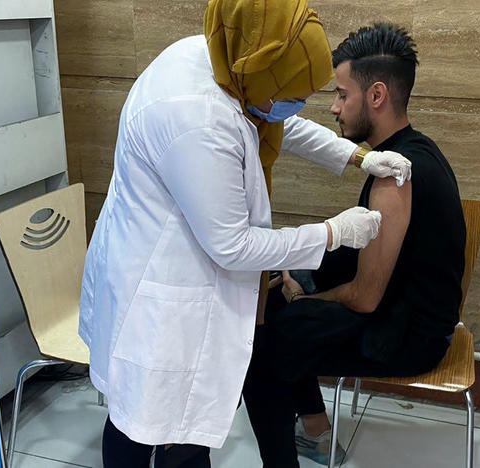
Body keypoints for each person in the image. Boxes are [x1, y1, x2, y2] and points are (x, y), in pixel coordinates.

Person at [78, 1, 413, 467]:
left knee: (185, 428)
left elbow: (279, 114)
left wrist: (354, 157)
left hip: (187, 269)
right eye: (295, 92)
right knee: (141, 423)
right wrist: (333, 233)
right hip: (158, 291)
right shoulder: (196, 118)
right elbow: (233, 245)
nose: (307, 104)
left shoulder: (227, 63)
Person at [242, 23, 467, 467]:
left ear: (377, 95)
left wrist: (303, 294)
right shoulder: (411, 150)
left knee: (262, 352)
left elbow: (364, 299)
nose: (333, 107)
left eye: (343, 94)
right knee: (280, 297)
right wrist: (297, 281)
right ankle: (317, 433)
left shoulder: (394, 178)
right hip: (404, 309)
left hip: (411, 337)